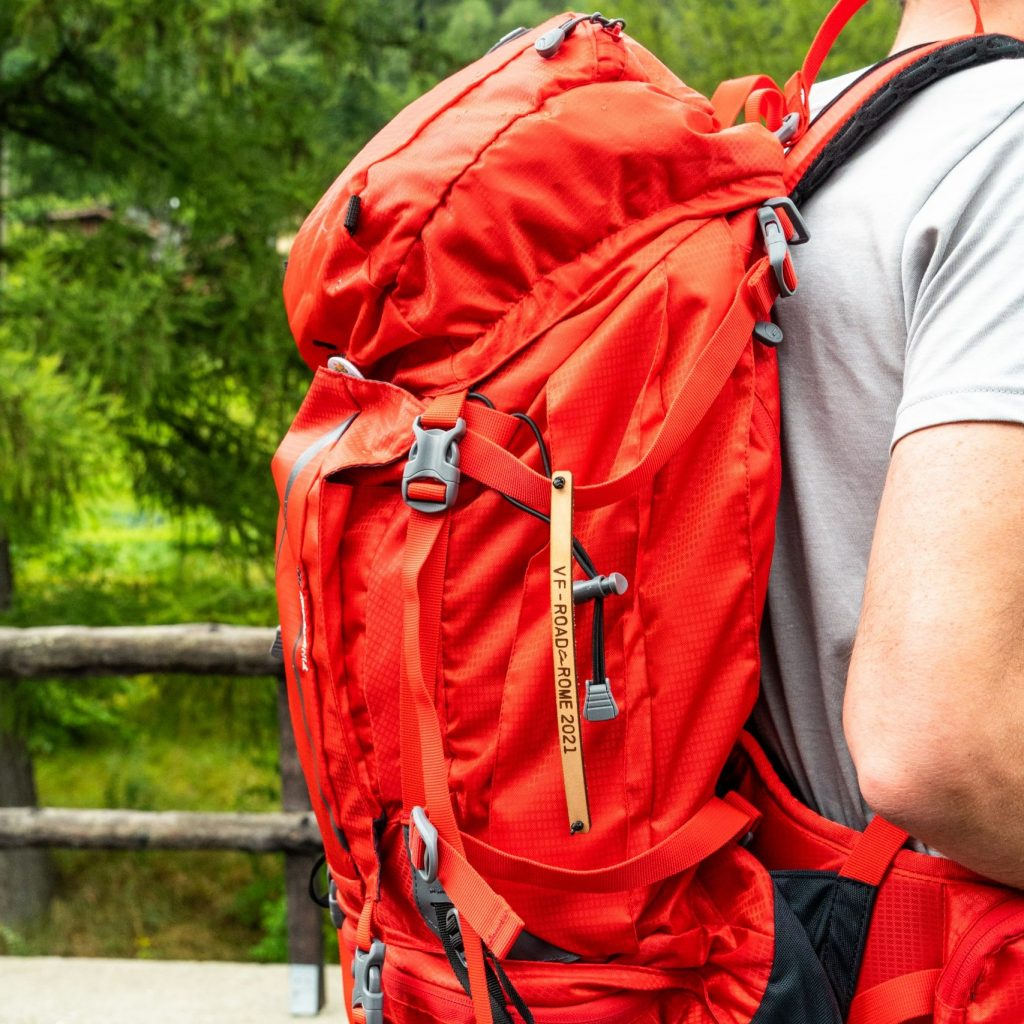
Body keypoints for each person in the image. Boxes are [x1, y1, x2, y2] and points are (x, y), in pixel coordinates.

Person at [753, 0, 1024, 888]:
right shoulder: (1010, 150)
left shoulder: (782, 142)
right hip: (952, 956)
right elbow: (937, 745)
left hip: (793, 930)